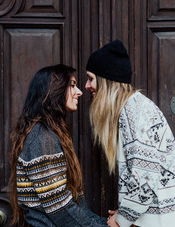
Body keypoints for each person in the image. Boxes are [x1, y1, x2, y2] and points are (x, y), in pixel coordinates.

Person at [85, 40, 175, 227]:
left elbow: (144, 180)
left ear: (106, 81)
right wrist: (126, 214)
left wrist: (121, 220)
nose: (87, 85)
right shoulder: (133, 108)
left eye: (91, 78)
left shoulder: (133, 112)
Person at [9, 64, 108, 227]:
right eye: (73, 85)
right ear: (54, 90)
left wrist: (103, 224)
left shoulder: (53, 134)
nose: (80, 92)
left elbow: (76, 203)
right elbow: (60, 209)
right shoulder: (42, 138)